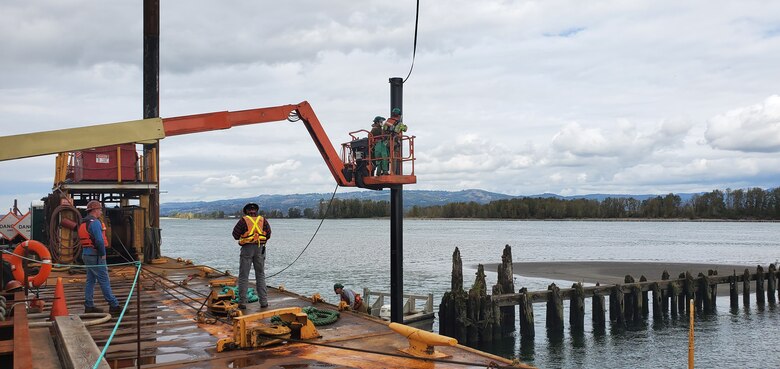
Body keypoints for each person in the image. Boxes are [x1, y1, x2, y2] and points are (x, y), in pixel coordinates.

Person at [79, 200, 121, 314]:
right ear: (95, 210)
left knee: (90, 280)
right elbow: (99, 240)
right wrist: (103, 254)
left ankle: (89, 306)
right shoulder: (95, 223)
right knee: (104, 280)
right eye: (100, 209)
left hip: (86, 254)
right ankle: (114, 305)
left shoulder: (83, 222)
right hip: (95, 255)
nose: (101, 212)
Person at [232, 202, 271, 309]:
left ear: (246, 211)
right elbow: (268, 234)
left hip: (247, 249)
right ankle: (264, 302)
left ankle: (242, 303)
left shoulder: (243, 220)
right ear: (256, 211)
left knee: (244, 276)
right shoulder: (263, 220)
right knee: (260, 275)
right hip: (260, 249)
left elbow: (235, 235)